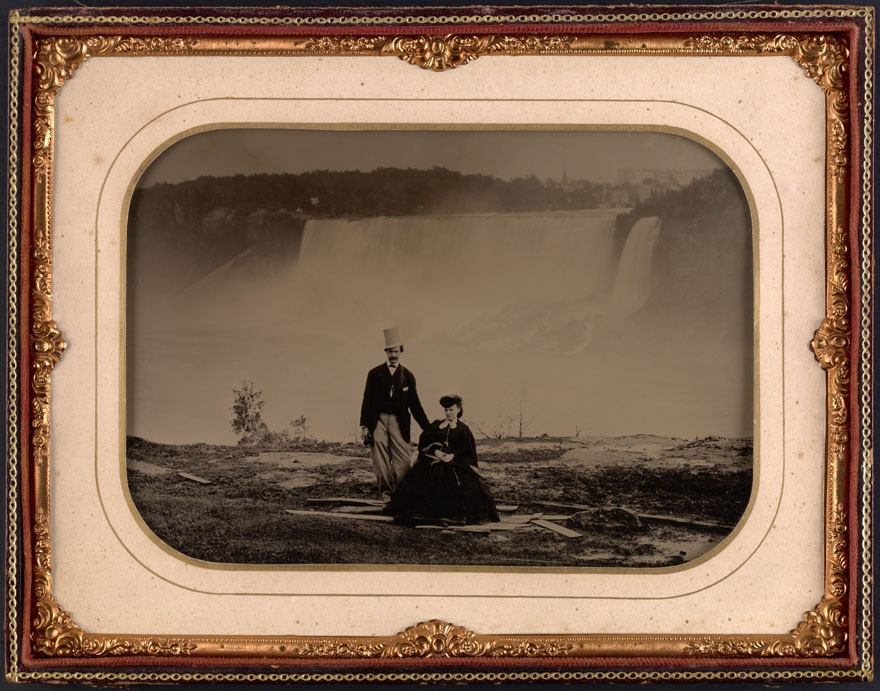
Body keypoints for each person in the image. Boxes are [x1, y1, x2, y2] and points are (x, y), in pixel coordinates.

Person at [385, 394, 500, 525]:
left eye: (451, 410)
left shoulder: (464, 430)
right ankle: (420, 515)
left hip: (455, 463)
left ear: (458, 409)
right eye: (446, 410)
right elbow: (424, 442)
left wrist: (453, 456)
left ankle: (451, 515)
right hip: (432, 460)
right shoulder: (436, 425)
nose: (448, 413)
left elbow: (467, 451)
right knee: (421, 477)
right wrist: (436, 451)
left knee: (457, 482)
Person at [359, 328, 430, 503]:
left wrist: (428, 428)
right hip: (378, 421)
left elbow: (415, 405)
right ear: (386, 352)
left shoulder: (408, 376)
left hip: (400, 422)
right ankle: (387, 495)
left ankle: (404, 494)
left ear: (401, 352)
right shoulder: (374, 374)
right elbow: (367, 400)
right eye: (390, 351)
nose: (393, 355)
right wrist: (364, 425)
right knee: (380, 460)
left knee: (404, 459)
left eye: (396, 351)